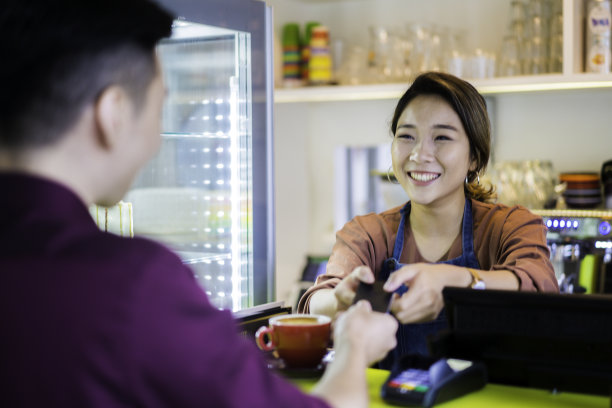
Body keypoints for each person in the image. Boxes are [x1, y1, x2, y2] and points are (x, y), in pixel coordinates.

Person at [0, 1, 398, 407]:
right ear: (113, 112)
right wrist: (354, 347)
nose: (156, 140)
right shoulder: (132, 284)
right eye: (159, 108)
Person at [297, 71, 558, 368]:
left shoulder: (510, 227)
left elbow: (540, 286)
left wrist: (456, 280)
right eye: (407, 136)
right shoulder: (367, 233)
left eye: (442, 137)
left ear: (474, 157)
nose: (420, 154)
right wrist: (340, 300)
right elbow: (316, 303)